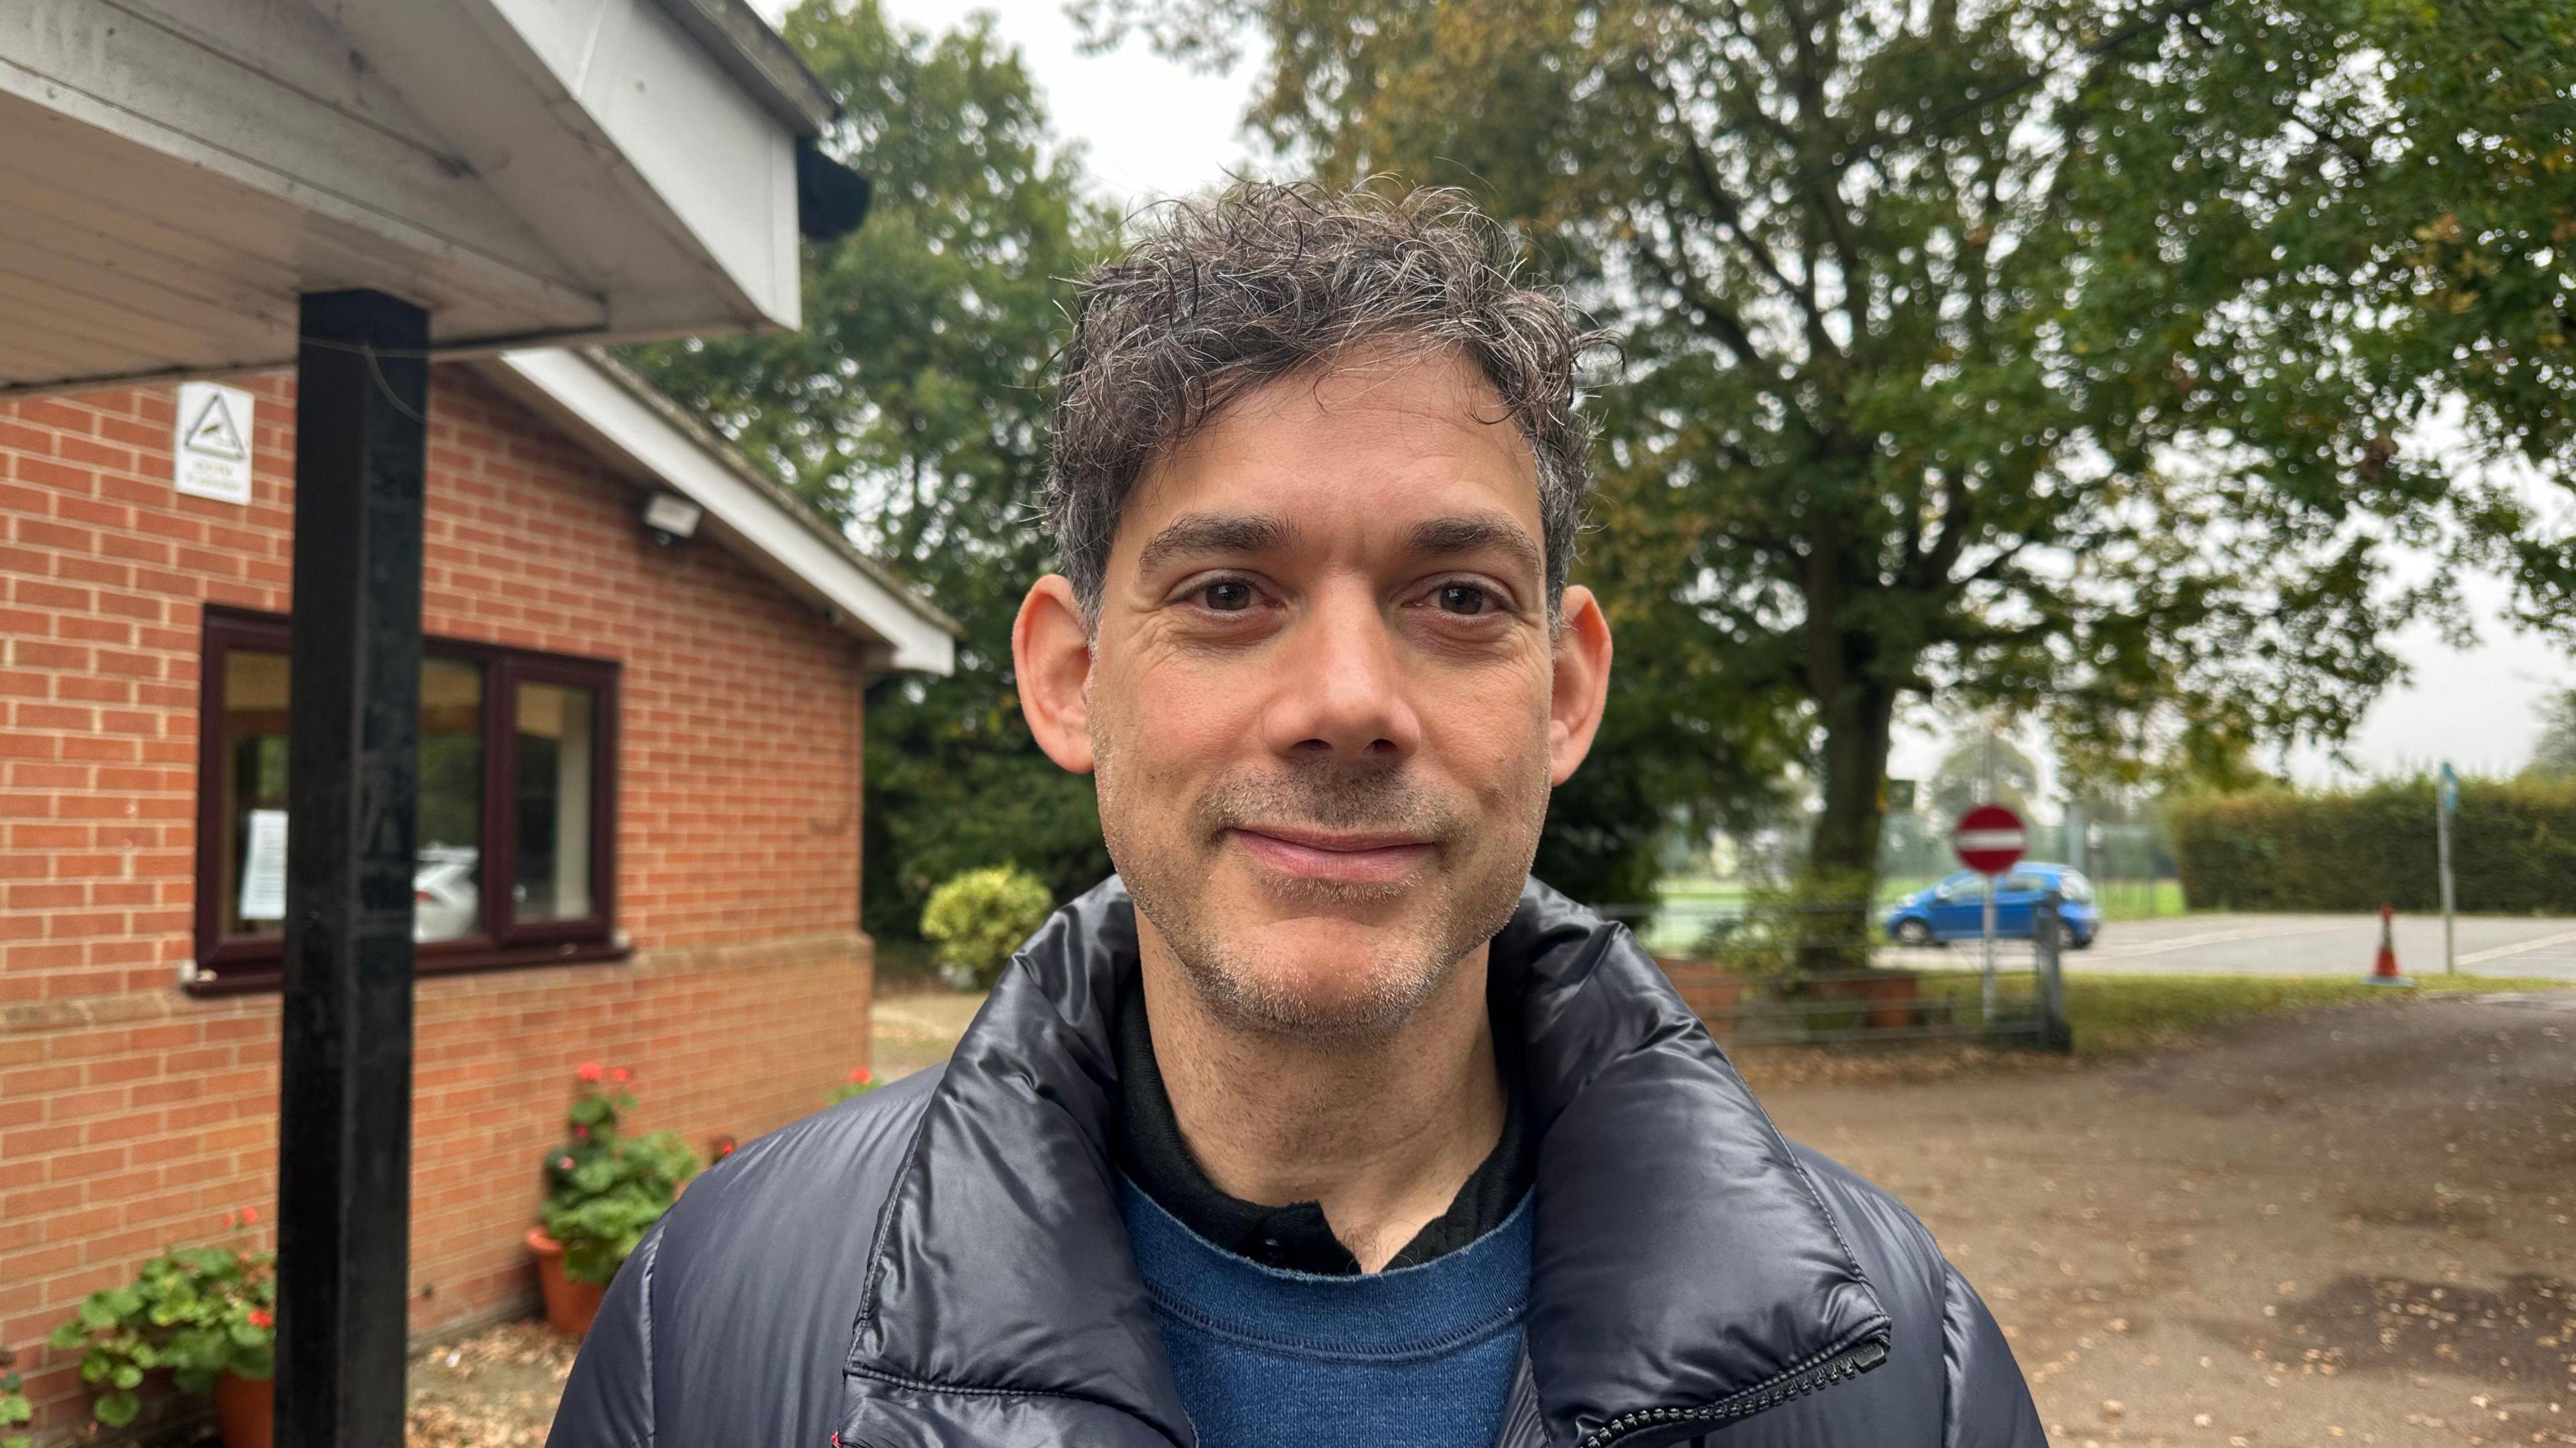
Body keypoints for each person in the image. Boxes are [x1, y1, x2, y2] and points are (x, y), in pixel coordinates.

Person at [548, 182, 2043, 1448]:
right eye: (1226, 594)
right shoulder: (722, 1318)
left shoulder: (1905, 1363)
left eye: (1457, 598)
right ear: (1072, 680)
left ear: (1566, 692)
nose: (1347, 699)